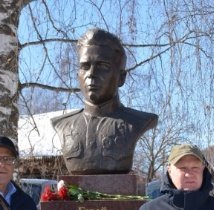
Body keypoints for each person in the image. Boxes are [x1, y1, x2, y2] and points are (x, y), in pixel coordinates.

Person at [51, 28, 158, 174]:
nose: (91, 74)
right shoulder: (62, 124)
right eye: (85, 66)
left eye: (103, 66)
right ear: (78, 74)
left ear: (121, 77)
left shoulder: (139, 122)